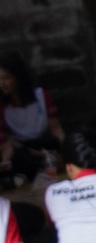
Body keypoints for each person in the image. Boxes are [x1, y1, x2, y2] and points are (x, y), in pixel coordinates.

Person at [1, 53, 64, 186]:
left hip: (42, 143)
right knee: (20, 158)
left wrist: (65, 149)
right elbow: (7, 142)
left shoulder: (42, 96)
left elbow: (56, 129)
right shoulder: (2, 106)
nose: (2, 84)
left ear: (18, 77)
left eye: (6, 78)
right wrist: (40, 154)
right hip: (21, 149)